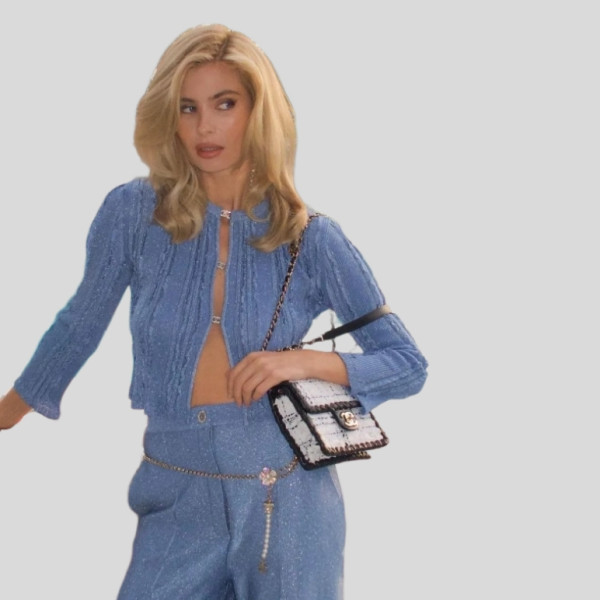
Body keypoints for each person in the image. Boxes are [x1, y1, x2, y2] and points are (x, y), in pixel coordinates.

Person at [0, 23, 428, 600]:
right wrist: (8, 412)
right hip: (175, 485)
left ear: (258, 112)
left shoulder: (310, 237)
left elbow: (406, 363)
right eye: (188, 107)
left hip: (286, 496)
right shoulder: (134, 214)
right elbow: (79, 324)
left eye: (225, 104)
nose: (205, 127)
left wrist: (299, 362)